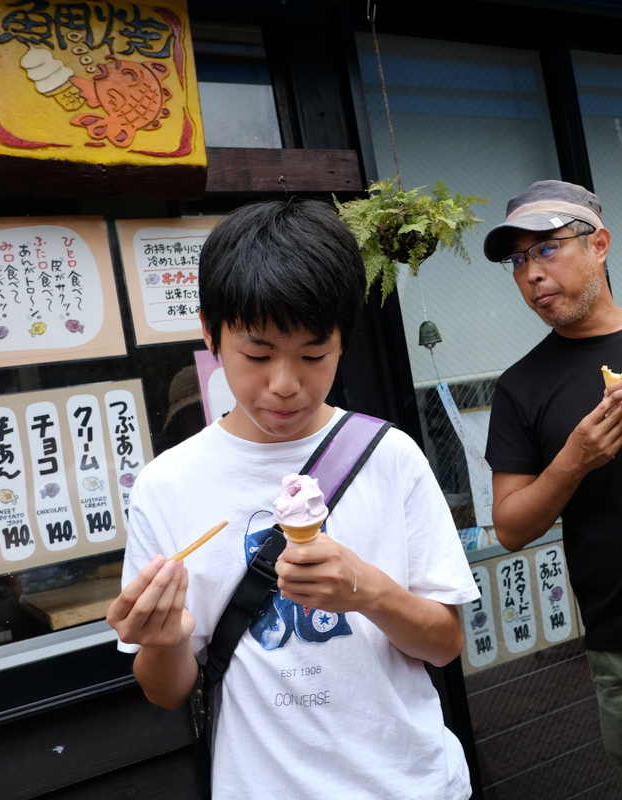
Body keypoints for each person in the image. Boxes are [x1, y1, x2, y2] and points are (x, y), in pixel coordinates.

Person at [108, 200, 479, 800]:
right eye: (256, 355)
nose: (284, 384)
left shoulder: (391, 457)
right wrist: (165, 638)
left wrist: (366, 588)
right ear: (210, 331)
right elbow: (166, 690)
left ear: (342, 343)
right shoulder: (167, 485)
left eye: (312, 356)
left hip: (413, 785)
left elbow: (444, 642)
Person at [482, 180, 622, 799]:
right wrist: (573, 460)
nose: (531, 274)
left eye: (546, 250)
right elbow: (511, 527)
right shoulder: (520, 387)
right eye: (518, 261)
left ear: (599, 245)